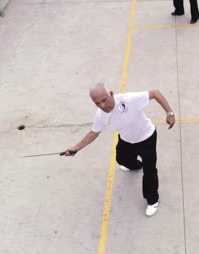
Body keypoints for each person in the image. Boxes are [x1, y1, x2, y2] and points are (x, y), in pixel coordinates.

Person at [62, 83, 176, 217]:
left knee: (149, 171)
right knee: (121, 159)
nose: (103, 105)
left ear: (111, 94)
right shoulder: (101, 115)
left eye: (104, 100)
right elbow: (93, 133)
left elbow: (155, 93)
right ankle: (136, 165)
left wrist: (170, 113)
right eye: (98, 103)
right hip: (126, 140)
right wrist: (76, 149)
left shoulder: (128, 100)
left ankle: (152, 200)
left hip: (147, 138)